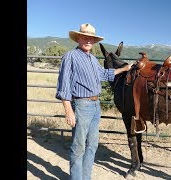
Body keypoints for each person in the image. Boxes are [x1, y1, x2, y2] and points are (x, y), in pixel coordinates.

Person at [55, 23, 132, 180]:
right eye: (85, 37)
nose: (89, 40)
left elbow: (103, 74)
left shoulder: (92, 59)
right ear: (78, 38)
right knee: (79, 147)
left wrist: (123, 69)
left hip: (95, 106)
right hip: (82, 105)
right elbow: (64, 86)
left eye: (91, 38)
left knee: (92, 146)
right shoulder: (70, 56)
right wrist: (69, 110)